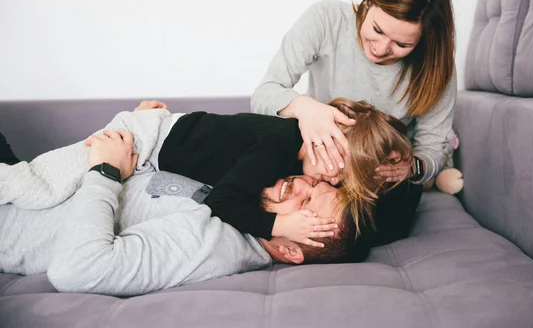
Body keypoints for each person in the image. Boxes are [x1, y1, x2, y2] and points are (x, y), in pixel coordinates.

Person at [0, 97, 414, 248]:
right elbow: (223, 201)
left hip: (154, 153)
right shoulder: (278, 146)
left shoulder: (300, 165)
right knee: (39, 187)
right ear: (323, 133)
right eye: (339, 169)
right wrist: (278, 225)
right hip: (146, 137)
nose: (333, 182)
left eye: (345, 183)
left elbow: (384, 220)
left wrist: (415, 170)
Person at [0, 130, 366, 296]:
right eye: (314, 186)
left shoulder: (213, 243)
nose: (299, 185)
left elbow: (77, 270)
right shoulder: (236, 207)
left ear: (288, 250)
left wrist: (105, 174)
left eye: (305, 206)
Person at [251, 0, 456, 243]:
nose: (381, 49)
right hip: (318, 155)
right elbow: (264, 94)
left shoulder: (435, 67)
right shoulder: (327, 19)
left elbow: (433, 145)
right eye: (377, 29)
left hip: (375, 173)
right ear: (368, 1)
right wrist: (305, 108)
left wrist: (415, 168)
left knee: (394, 210)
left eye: (401, 45)